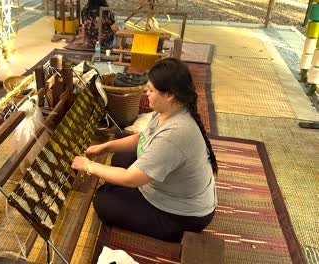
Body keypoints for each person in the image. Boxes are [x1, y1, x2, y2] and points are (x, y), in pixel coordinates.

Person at [71, 58, 218, 242]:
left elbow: (130, 179)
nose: (146, 93)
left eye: (151, 90)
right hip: (174, 189)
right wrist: (105, 147)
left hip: (183, 215)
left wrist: (89, 166)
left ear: (169, 94)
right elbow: (142, 139)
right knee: (120, 158)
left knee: (103, 201)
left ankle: (167, 226)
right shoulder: (169, 110)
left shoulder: (174, 135)